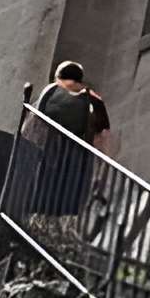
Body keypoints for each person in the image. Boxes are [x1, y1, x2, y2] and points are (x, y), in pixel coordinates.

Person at [30, 60, 111, 217]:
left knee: (44, 195)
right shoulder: (93, 99)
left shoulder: (51, 91)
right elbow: (104, 134)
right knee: (68, 198)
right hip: (78, 161)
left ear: (58, 77)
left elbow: (35, 123)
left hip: (51, 155)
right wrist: (103, 166)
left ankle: (40, 219)